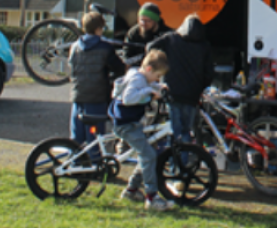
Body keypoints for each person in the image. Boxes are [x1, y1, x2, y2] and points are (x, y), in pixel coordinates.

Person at [109, 49, 170, 211]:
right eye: (157, 75)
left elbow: (147, 83)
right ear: (149, 69)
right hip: (126, 125)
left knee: (148, 153)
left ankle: (131, 190)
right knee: (148, 155)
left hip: (131, 123)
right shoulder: (137, 79)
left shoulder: (139, 75)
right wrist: (149, 92)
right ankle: (151, 197)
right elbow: (129, 98)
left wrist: (158, 86)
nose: (157, 79)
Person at [147, 12, 214, 144]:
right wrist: (201, 87)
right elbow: (209, 73)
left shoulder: (171, 38)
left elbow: (150, 46)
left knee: (174, 130)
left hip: (172, 91)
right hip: (192, 95)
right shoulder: (204, 46)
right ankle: (183, 160)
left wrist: (159, 68)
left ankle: (173, 161)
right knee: (185, 131)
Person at [68, 11, 125, 156]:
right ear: (99, 28)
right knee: (94, 137)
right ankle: (95, 164)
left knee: (76, 137)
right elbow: (119, 68)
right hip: (97, 98)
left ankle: (75, 163)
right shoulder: (105, 48)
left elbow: (72, 70)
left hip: (78, 96)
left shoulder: (75, 47)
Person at [124, 2, 172, 67]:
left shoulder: (167, 34)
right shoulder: (133, 32)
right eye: (141, 20)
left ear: (155, 21)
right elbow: (127, 54)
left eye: (148, 21)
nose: (143, 23)